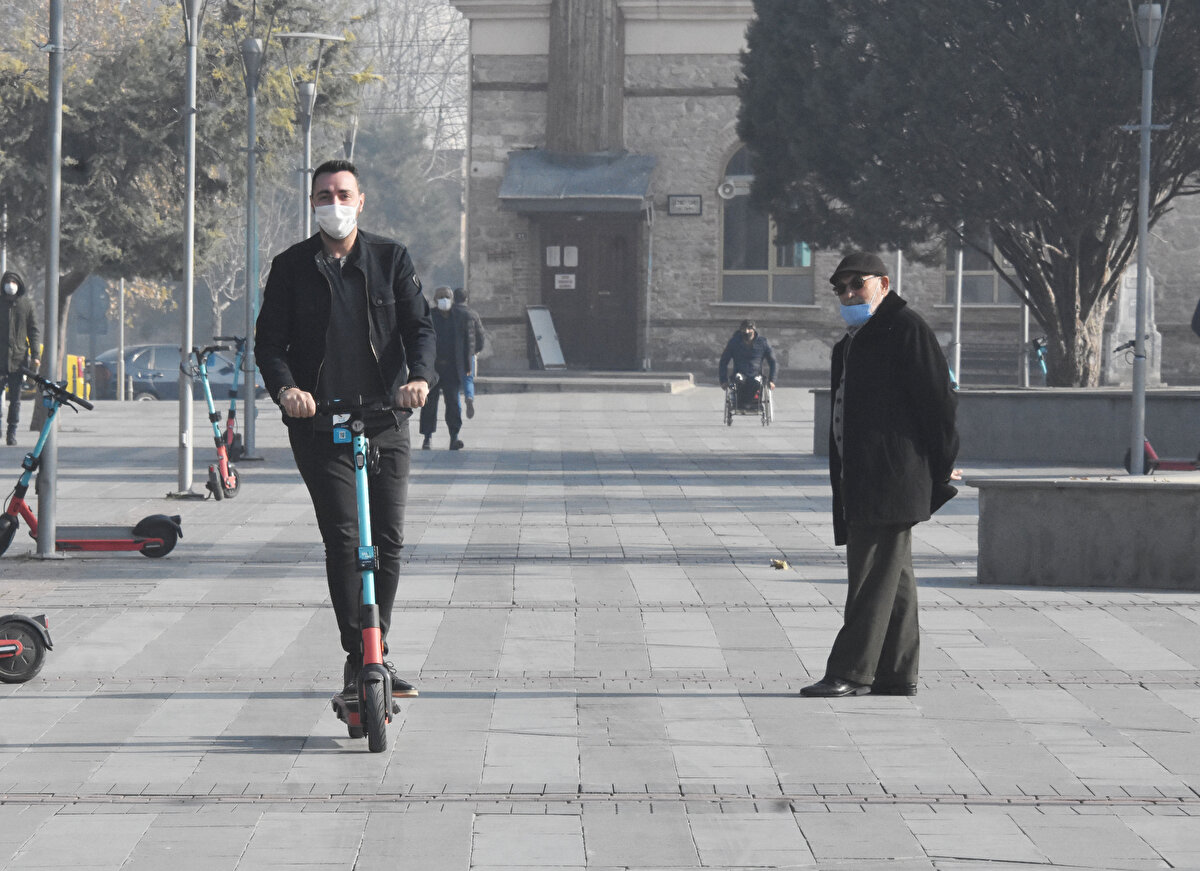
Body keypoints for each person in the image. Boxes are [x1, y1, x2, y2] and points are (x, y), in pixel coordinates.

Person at [255, 158, 436, 700]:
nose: (333, 203)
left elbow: (418, 326)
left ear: (361, 200)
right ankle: (358, 655)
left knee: (388, 540)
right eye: (323, 195)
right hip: (320, 425)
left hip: (384, 417)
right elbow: (270, 344)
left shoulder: (390, 258)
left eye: (343, 193)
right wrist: (288, 391)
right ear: (312, 204)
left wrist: (420, 380)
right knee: (345, 540)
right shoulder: (290, 267)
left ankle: (376, 649)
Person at [800, 252, 960, 699]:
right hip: (862, 476)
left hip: (892, 475)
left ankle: (850, 671)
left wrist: (941, 467)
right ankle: (895, 671)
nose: (849, 294)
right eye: (841, 288)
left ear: (883, 283)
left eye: (857, 284)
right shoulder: (851, 343)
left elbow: (939, 404)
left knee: (870, 575)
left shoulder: (906, 330)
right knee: (896, 577)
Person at [419, 285, 475, 450]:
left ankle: (454, 436)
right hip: (433, 368)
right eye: (441, 297)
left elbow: (467, 342)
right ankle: (427, 437)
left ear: (451, 299)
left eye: (447, 297)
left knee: (453, 403)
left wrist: (467, 364)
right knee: (429, 404)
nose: (444, 300)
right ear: (436, 300)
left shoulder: (459, 317)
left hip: (452, 367)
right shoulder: (430, 316)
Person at [1, 270, 41, 446]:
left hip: (18, 360)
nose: (10, 284)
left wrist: (35, 355)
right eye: (7, 281)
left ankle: (12, 432)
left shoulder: (26, 305)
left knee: (15, 400)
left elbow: (33, 331)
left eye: (13, 281)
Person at [718, 319, 776, 409]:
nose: (746, 331)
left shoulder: (763, 342)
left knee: (756, 382)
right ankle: (740, 403)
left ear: (754, 329)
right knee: (739, 382)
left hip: (756, 374)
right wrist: (723, 380)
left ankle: (754, 403)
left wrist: (772, 380)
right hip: (740, 373)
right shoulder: (734, 342)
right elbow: (723, 361)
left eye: (749, 329)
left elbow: (773, 362)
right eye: (744, 329)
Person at [453, 287, 486, 419]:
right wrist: (477, 349)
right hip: (468, 355)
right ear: (466, 299)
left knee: (453, 382)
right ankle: (469, 397)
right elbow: (481, 335)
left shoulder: (450, 314)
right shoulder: (472, 314)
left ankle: (457, 409)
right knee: (468, 379)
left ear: (454, 299)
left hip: (452, 355)